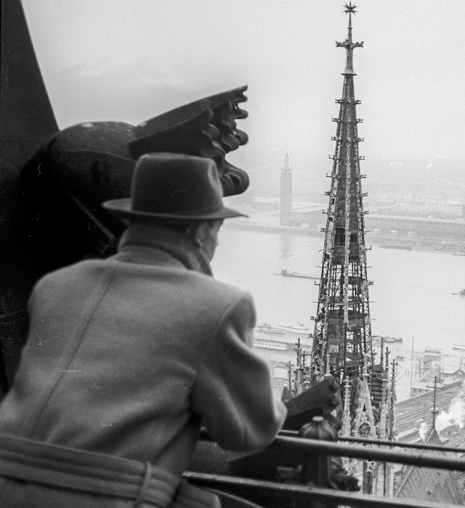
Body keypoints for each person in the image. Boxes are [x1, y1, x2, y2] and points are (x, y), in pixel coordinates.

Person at [0, 154, 287, 508]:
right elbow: (248, 432)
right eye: (217, 230)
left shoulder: (56, 285)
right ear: (200, 232)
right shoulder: (217, 305)